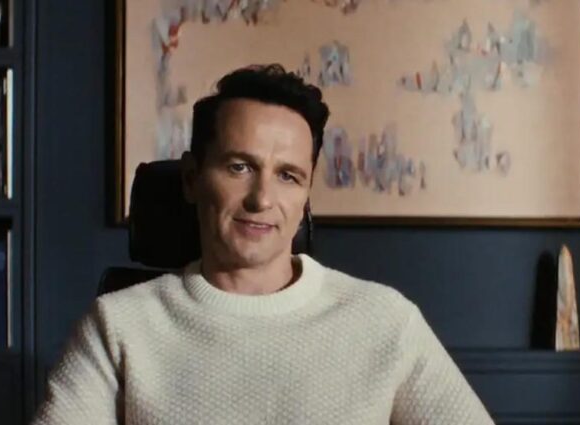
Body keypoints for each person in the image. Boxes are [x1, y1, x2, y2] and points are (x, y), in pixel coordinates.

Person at [33, 64, 494, 424]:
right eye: (240, 167)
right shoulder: (119, 325)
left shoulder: (384, 321)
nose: (262, 199)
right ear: (192, 178)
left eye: (288, 176)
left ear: (306, 194)